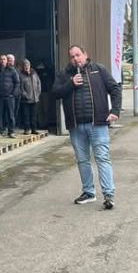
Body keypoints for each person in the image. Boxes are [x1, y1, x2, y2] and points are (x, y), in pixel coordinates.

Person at [52, 45, 122, 210]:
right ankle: (89, 192)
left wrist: (115, 111)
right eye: (72, 56)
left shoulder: (99, 70)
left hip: (97, 123)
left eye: (78, 55)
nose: (76, 59)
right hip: (76, 127)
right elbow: (55, 93)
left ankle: (109, 195)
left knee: (102, 158)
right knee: (83, 160)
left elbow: (115, 89)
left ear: (85, 54)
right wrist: (70, 83)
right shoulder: (64, 75)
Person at [0, 54, 19, 138]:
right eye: (1, 59)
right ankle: (0, 131)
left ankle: (11, 132)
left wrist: (13, 94)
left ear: (7, 61)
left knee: (10, 115)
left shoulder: (12, 70)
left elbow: (17, 83)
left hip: (9, 97)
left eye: (4, 59)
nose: (2, 61)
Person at [19, 58, 42, 134]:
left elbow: (39, 83)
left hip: (35, 99)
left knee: (34, 115)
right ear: (23, 66)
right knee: (26, 116)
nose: (26, 66)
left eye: (28, 65)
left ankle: (34, 129)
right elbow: (20, 87)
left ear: (30, 65)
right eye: (25, 65)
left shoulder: (34, 73)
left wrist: (38, 93)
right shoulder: (21, 75)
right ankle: (27, 129)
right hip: (26, 100)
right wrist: (25, 95)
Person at [7, 54, 20, 132]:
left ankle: (14, 127)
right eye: (8, 60)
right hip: (10, 95)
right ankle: (10, 129)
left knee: (15, 113)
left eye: (11, 60)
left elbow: (18, 82)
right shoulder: (6, 70)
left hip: (18, 95)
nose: (10, 62)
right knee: (10, 113)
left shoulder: (17, 70)